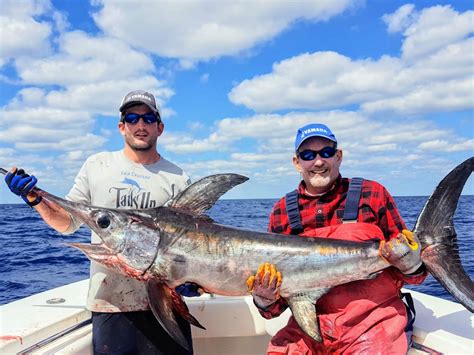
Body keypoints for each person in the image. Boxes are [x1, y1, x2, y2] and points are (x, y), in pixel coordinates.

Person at [5, 90, 200, 354]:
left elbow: (194, 243)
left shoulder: (176, 176)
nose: (140, 125)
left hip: (167, 304)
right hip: (111, 304)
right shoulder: (97, 165)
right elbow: (68, 223)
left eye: (148, 118)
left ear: (160, 127)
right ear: (121, 127)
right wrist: (35, 199)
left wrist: (193, 277)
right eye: (132, 118)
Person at [249, 123, 427, 354]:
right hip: (309, 329)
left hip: (373, 324)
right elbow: (276, 308)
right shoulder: (282, 211)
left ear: (338, 156)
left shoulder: (372, 194)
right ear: (297, 162)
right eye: (308, 155)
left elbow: (417, 276)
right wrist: (264, 299)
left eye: (326, 152)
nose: (319, 161)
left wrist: (411, 264)